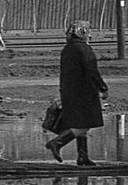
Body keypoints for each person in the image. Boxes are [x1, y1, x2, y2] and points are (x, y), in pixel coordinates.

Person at [46, 20, 108, 166]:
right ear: (84, 33)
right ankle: (57, 143)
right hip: (84, 91)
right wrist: (102, 87)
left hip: (68, 91)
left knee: (79, 122)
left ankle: (83, 156)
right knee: (85, 124)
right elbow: (92, 71)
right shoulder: (84, 49)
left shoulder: (66, 49)